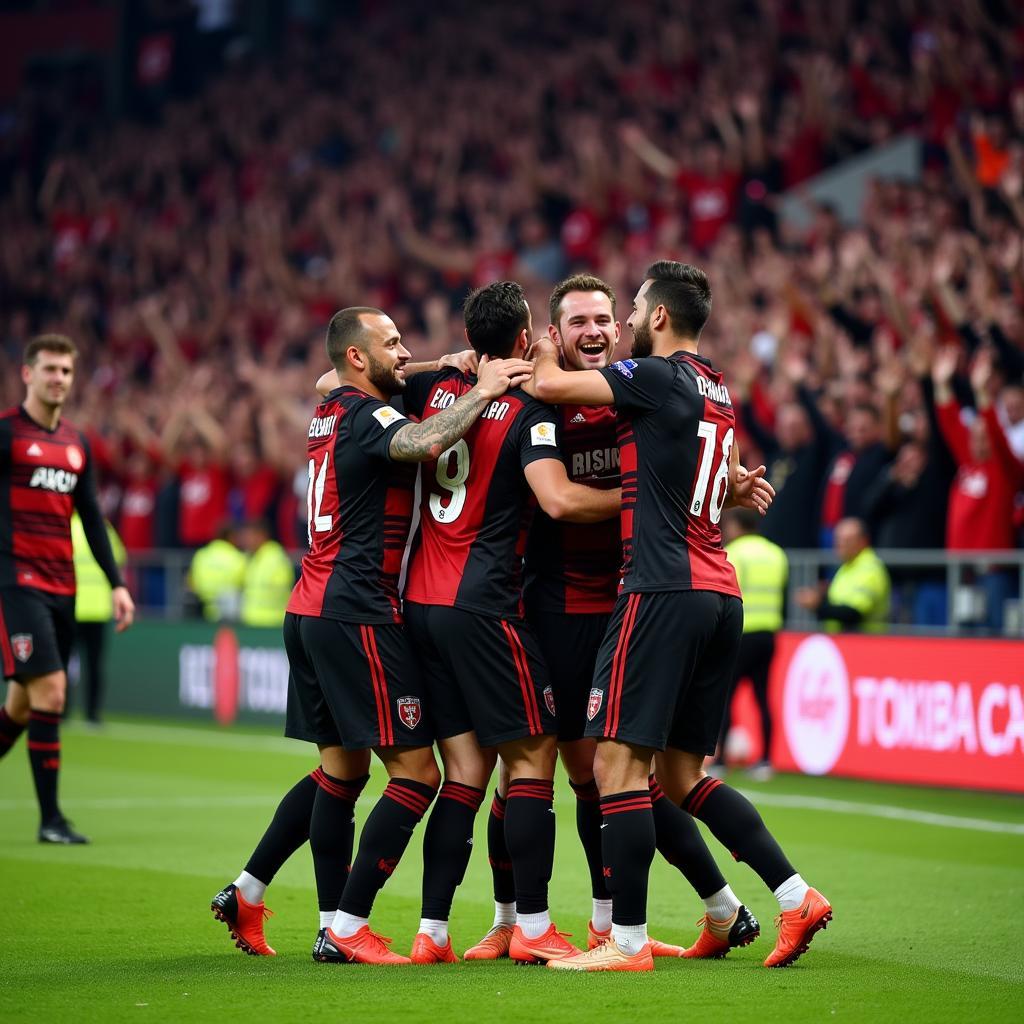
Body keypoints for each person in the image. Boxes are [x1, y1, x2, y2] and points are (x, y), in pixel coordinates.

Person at [532, 262, 831, 972]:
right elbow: (697, 473)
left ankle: (626, 942)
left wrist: (540, 346)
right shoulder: (718, 389)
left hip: (661, 589)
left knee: (616, 766)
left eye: (632, 308)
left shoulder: (656, 375)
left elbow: (547, 386)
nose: (626, 321)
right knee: (685, 776)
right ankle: (794, 896)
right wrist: (728, 486)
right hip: (719, 592)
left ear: (658, 317)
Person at [211, 307, 532, 965]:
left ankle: (267, 897)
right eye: (391, 344)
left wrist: (445, 364)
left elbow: (356, 381)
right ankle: (348, 925)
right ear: (358, 358)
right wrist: (480, 391)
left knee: (341, 770)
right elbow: (420, 444)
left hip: (310, 607)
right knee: (416, 773)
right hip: (357, 609)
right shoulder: (369, 416)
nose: (404, 352)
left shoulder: (330, 408)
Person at [469, 274, 761, 963]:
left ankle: (633, 920)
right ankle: (514, 920)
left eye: (607, 315)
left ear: (626, 326)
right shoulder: (539, 401)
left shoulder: (637, 393)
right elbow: (560, 503)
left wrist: (719, 489)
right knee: (537, 776)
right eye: (578, 322)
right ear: (555, 335)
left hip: (637, 608)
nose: (597, 328)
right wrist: (642, 498)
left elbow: (696, 463)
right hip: (556, 614)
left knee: (619, 779)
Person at [0, 335, 135, 844]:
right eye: (50, 369)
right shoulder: (7, 434)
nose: (59, 378)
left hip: (63, 585)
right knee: (53, 690)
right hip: (17, 582)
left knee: (18, 707)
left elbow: (92, 520)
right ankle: (51, 820)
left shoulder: (76, 444)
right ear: (27, 374)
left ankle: (51, 817)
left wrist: (117, 584)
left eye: (66, 371)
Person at [713, 508, 788, 780]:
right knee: (763, 696)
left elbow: (727, 595)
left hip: (742, 633)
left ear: (736, 525)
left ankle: (720, 758)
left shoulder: (735, 553)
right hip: (769, 633)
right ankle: (766, 760)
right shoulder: (776, 553)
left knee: (725, 696)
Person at [69, 511, 127, 725]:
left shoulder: (67, 526)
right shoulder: (105, 529)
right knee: (94, 666)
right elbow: (119, 559)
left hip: (70, 606)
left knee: (64, 663)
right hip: (97, 608)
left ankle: (62, 711)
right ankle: (92, 713)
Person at [796, 517, 890, 632]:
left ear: (863, 541)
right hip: (845, 642)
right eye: (837, 539)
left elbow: (853, 614)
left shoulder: (870, 568)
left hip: (865, 644)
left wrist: (818, 605)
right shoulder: (848, 565)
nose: (840, 545)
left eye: (847, 540)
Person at [238, 520, 295, 628]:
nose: (245, 541)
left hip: (272, 622)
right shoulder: (254, 557)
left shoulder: (274, 557)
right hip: (253, 622)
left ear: (261, 535)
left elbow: (282, 587)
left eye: (248, 536)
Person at [187, 524, 246, 621]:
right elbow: (243, 584)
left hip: (204, 609)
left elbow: (192, 583)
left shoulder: (201, 554)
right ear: (231, 537)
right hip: (231, 614)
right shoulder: (238, 557)